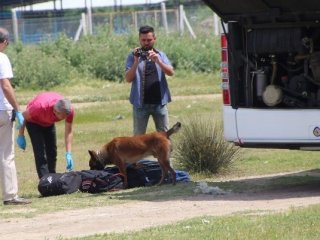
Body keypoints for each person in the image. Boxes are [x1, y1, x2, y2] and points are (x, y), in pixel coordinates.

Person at [0, 27, 31, 205]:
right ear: (3, 42)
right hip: (2, 111)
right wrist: (17, 109)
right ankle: (10, 195)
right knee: (6, 154)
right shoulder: (2, 58)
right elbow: (5, 85)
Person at [125, 25, 174, 135]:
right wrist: (136, 61)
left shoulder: (160, 55)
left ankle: (164, 153)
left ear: (154, 39)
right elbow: (128, 79)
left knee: (164, 137)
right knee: (138, 139)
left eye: (149, 40)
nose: (146, 43)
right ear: (139, 40)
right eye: (143, 40)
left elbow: (171, 72)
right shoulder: (132, 56)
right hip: (140, 104)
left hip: (160, 103)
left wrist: (158, 61)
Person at [17, 92, 75, 179]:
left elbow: (68, 132)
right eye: (62, 117)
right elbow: (24, 116)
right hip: (34, 122)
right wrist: (21, 135)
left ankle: (52, 177)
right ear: (55, 111)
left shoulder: (68, 110)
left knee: (52, 151)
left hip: (48, 123)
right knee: (40, 153)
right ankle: (45, 180)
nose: (64, 119)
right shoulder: (39, 107)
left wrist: (68, 153)